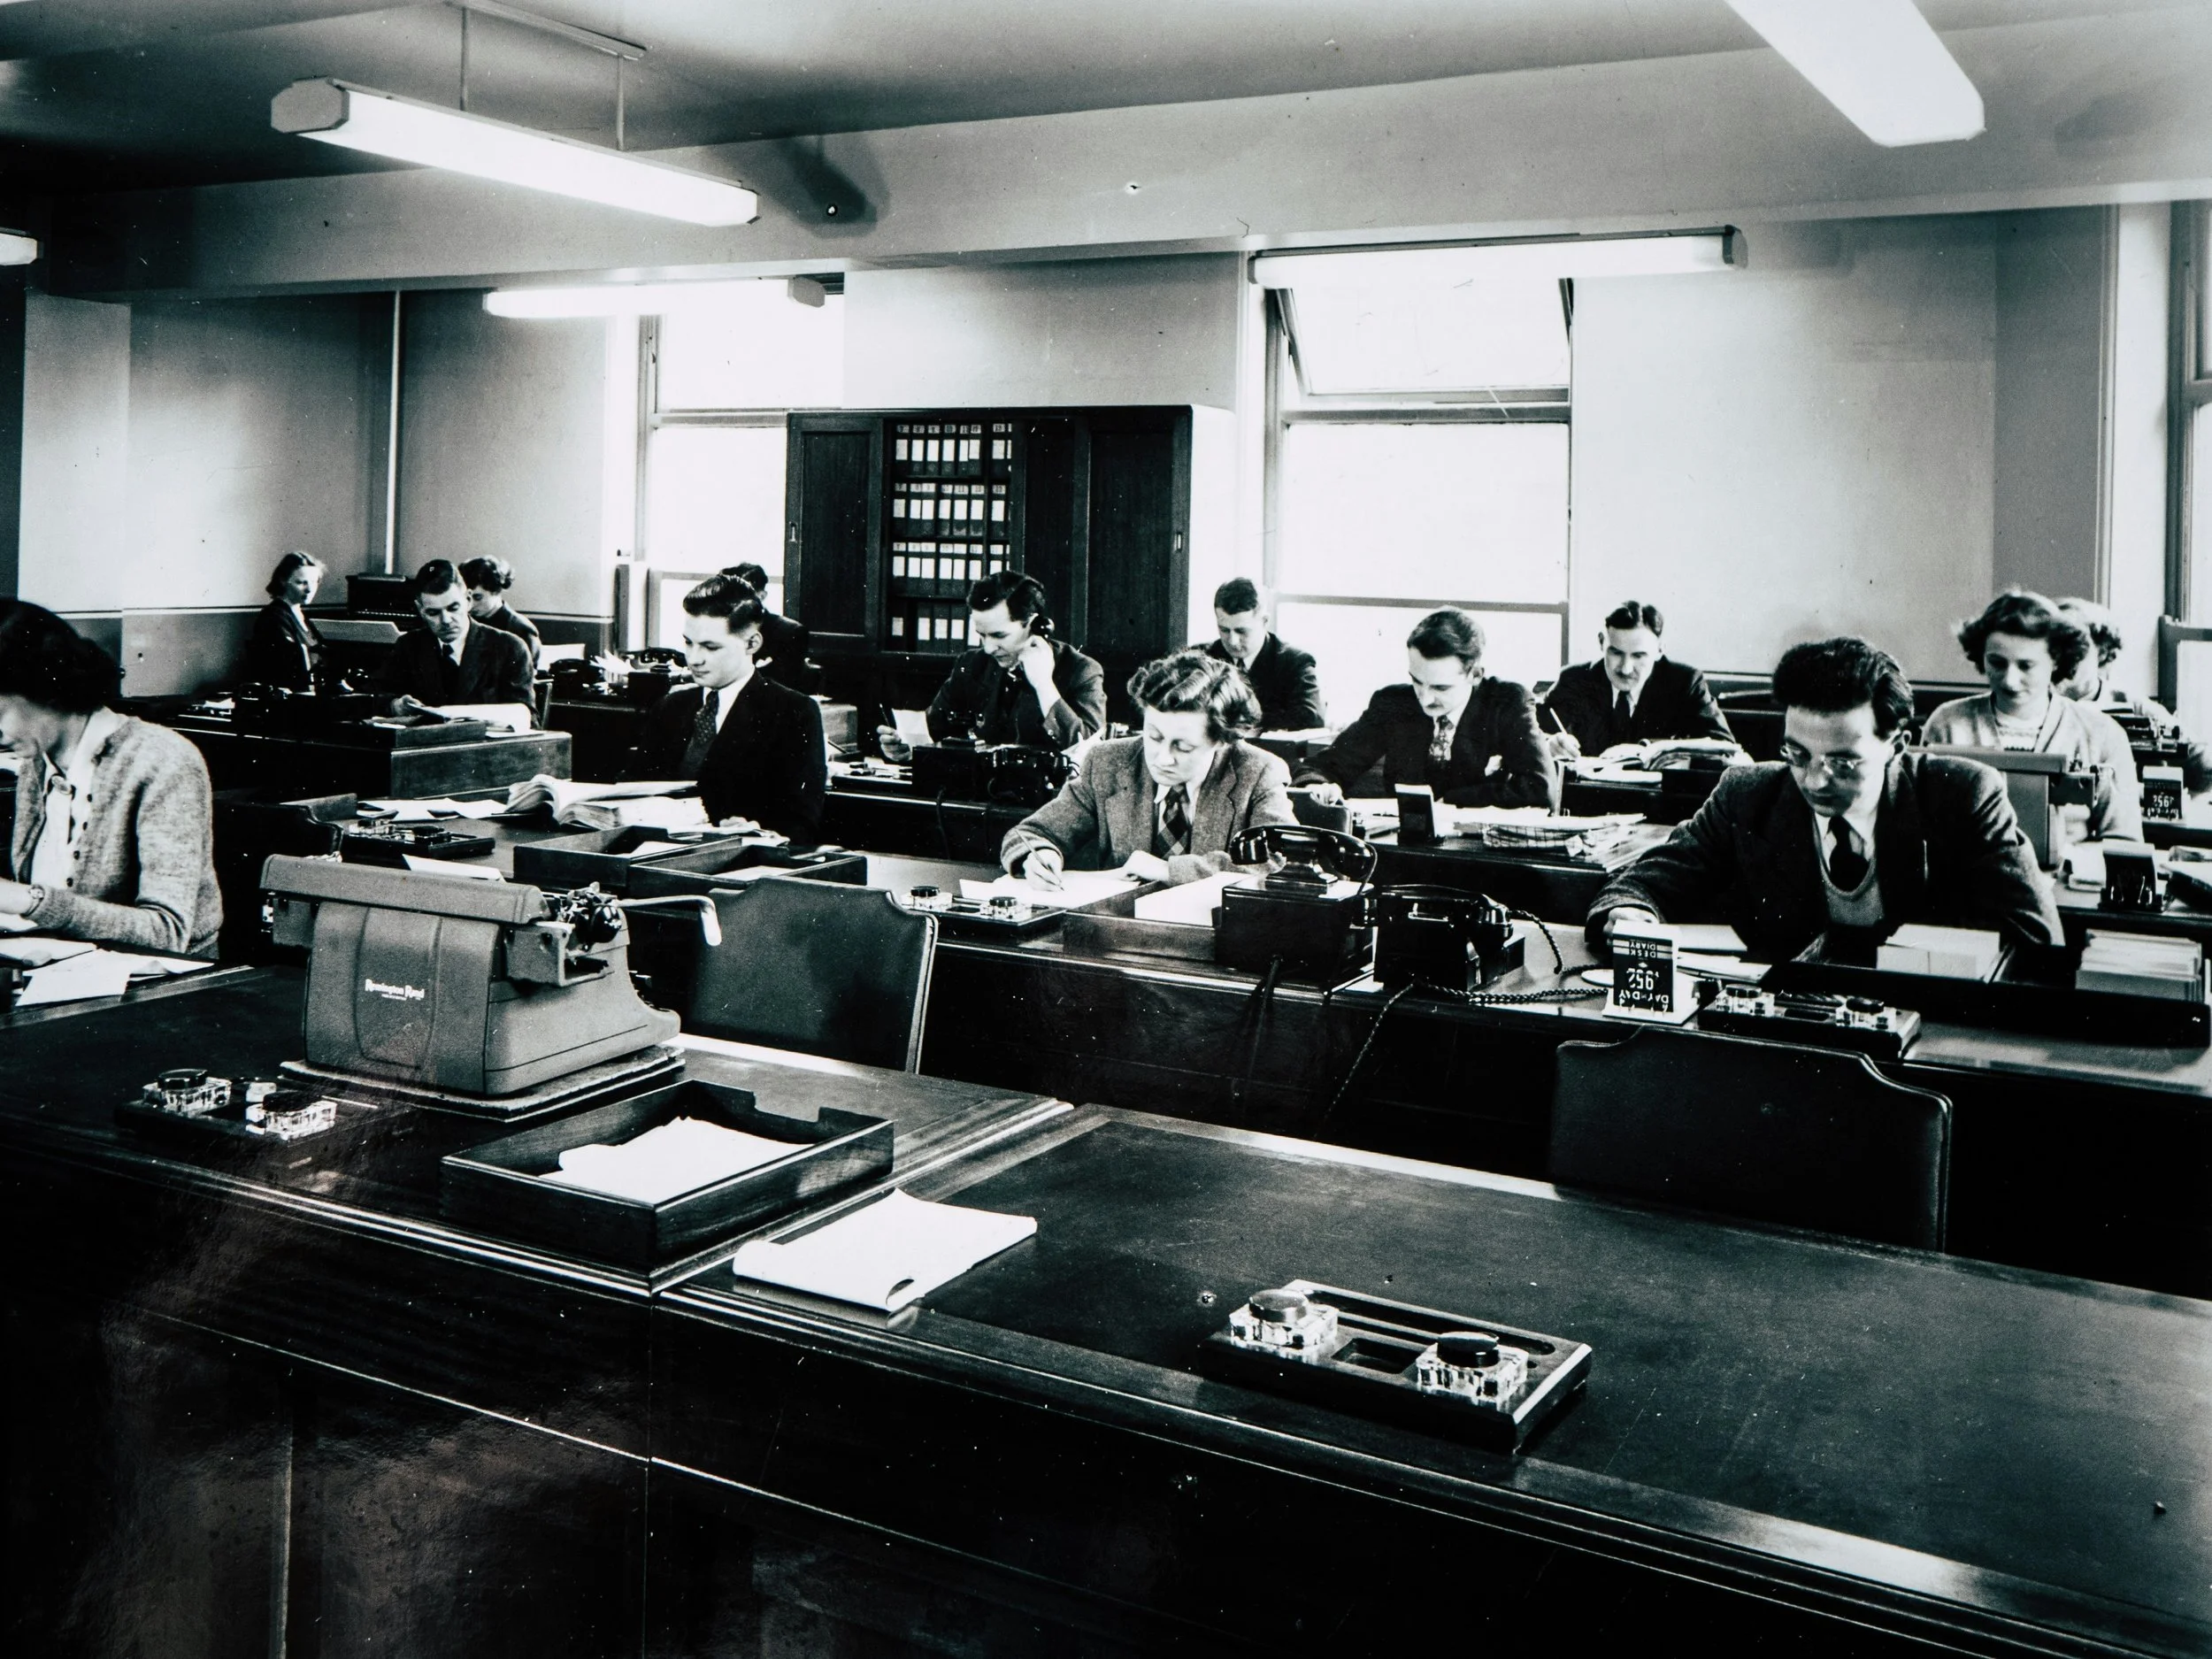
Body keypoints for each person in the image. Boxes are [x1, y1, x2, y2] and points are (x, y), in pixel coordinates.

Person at [1587, 636, 2060, 963]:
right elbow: (1639, 884)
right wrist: (1628, 915)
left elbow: (2036, 940)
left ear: (1897, 744)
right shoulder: (1747, 794)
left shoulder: (1962, 795)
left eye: (1843, 761)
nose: (1814, 780)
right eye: (1797, 754)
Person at [0, 602, 222, 958]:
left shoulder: (163, 759)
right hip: (65, 972)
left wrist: (28, 900)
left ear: (43, 688)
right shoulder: (36, 761)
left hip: (162, 990)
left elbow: (168, 932)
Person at [1002, 650, 1298, 887]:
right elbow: (1030, 833)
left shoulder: (1258, 772)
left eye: (1182, 747)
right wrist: (1038, 855)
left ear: (1222, 741)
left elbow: (1279, 863)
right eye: (1154, 737)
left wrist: (1169, 870)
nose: (1162, 758)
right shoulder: (1107, 762)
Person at [1920, 589, 2141, 843]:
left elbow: (2124, 842)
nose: (2010, 681)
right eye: (1997, 663)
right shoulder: (1947, 724)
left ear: (2056, 661)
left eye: (2026, 666)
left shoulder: (2102, 735)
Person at [1295, 608, 1556, 809]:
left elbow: (1540, 788)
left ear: (1475, 674)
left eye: (1441, 688)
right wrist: (1318, 787)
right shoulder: (1394, 702)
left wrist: (1448, 802)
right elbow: (1323, 766)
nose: (1425, 698)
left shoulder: (1506, 702)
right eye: (1417, 681)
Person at [642, 574, 825, 841]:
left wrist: (759, 832)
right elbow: (634, 789)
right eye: (688, 643)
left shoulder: (794, 712)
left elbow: (802, 819)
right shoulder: (670, 707)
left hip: (741, 864)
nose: (693, 659)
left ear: (752, 644)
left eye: (710, 647)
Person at [884, 572, 1104, 758]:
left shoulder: (1081, 671)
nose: (989, 648)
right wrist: (905, 747)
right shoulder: (972, 665)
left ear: (1036, 626)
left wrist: (1044, 685)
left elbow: (1090, 755)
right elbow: (932, 732)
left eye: (1000, 636)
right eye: (982, 636)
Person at [2054, 595, 2212, 795]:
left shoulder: (2134, 707)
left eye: (2076, 647)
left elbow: (2205, 766)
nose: (2064, 657)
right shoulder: (2032, 701)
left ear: (2102, 652)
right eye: (2055, 648)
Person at [1540, 598, 1734, 759]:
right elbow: (1532, 734)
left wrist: (1649, 748)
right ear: (1601, 642)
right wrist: (1549, 744)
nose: (1625, 668)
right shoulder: (1574, 679)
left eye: (1639, 656)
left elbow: (1723, 743)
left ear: (1659, 650)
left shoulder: (1685, 682)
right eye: (1616, 653)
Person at [374, 559, 535, 718]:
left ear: (468, 600)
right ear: (420, 610)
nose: (445, 620)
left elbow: (529, 720)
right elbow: (377, 696)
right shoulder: (409, 646)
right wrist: (395, 705)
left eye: (453, 608)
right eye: (433, 613)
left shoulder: (510, 648)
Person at [1200, 578, 1325, 732]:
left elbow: (1310, 718)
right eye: (1224, 630)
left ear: (1265, 621)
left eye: (1242, 631)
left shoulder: (1295, 662)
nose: (1232, 641)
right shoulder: (1202, 658)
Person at [242, 550, 326, 692]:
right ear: (283, 581)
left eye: (314, 582)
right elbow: (288, 666)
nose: (310, 589)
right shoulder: (273, 616)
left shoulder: (301, 615)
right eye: (301, 583)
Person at [721, 562, 811, 689]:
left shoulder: (790, 633)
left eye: (739, 595)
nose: (731, 603)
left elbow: (786, 688)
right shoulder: (719, 628)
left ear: (761, 596)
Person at [458, 557, 541, 673]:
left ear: (496, 591)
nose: (470, 605)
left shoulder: (521, 630)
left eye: (477, 597)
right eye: (467, 597)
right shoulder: (464, 622)